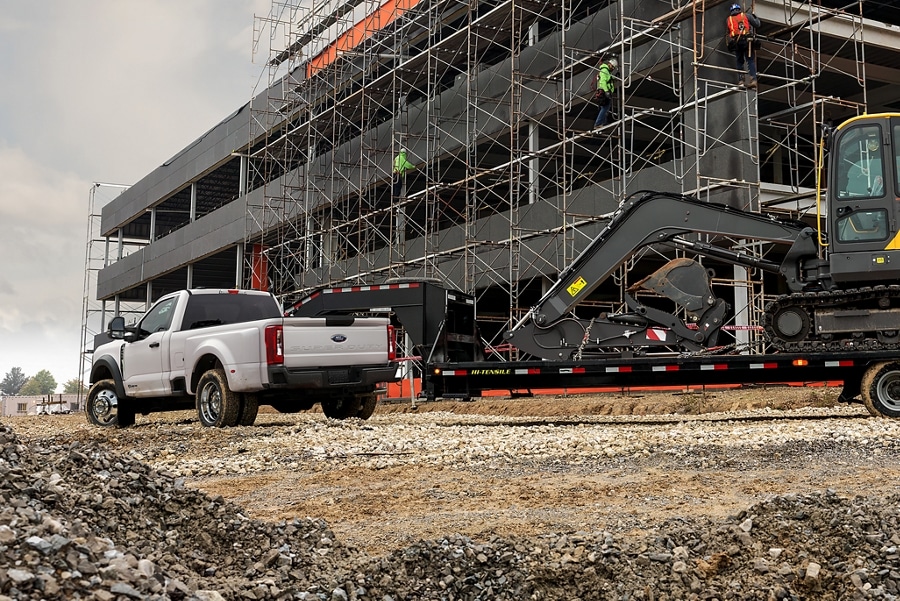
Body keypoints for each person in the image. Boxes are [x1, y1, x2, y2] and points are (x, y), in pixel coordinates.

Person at [726, 3, 761, 89]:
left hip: (737, 42)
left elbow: (728, 32)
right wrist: (755, 17)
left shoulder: (729, 19)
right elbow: (757, 24)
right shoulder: (746, 16)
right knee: (750, 61)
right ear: (739, 9)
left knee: (739, 62)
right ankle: (753, 80)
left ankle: (741, 80)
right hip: (747, 42)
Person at [593, 57, 618, 128]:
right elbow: (603, 81)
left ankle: (603, 122)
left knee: (604, 108)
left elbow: (608, 79)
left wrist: (614, 78)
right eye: (612, 67)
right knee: (605, 107)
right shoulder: (605, 70)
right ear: (610, 64)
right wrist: (606, 91)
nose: (613, 69)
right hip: (604, 91)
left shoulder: (607, 71)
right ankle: (598, 123)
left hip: (603, 91)